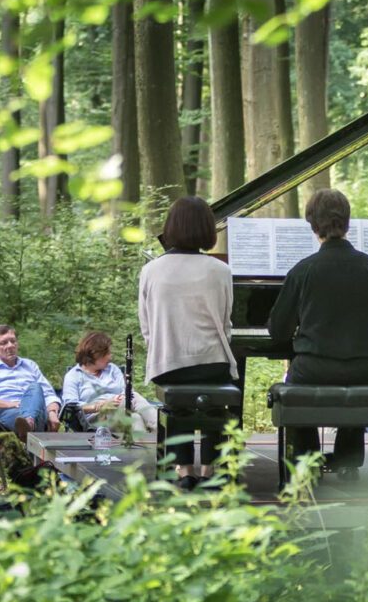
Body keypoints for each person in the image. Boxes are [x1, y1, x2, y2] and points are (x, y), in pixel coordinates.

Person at [268, 189, 368, 474]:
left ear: (313, 225)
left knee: (295, 381)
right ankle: (346, 460)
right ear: (347, 222)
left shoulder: (302, 271)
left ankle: (307, 461)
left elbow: (278, 330)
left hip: (313, 370)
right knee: (357, 374)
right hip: (365, 370)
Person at [139, 196, 238, 487]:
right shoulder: (221, 270)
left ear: (171, 227)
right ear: (208, 229)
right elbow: (226, 324)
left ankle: (184, 472)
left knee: (178, 408)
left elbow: (147, 327)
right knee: (215, 406)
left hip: (167, 364)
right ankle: (208, 471)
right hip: (212, 363)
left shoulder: (151, 270)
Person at [0, 325, 61, 440]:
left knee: (35, 387)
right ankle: (28, 425)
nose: (10, 345)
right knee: (18, 417)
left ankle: (28, 425)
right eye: (4, 343)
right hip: (6, 412)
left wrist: (52, 413)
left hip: (38, 411)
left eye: (13, 341)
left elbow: (49, 393)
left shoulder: (30, 365)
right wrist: (10, 404)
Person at [61, 331, 157, 435]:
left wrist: (118, 399)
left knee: (135, 417)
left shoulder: (112, 369)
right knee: (133, 398)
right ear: (95, 354)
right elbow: (71, 406)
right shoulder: (74, 375)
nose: (110, 357)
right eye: (107, 353)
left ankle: (146, 443)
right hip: (96, 419)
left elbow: (126, 391)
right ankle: (161, 430)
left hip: (120, 410)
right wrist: (100, 405)